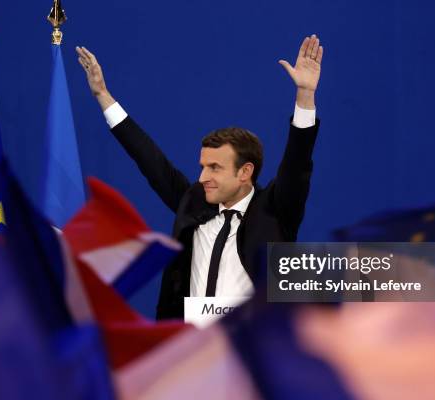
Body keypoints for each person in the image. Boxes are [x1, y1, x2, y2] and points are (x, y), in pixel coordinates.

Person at [76, 35, 324, 320]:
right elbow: (149, 158)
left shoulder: (276, 210)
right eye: (203, 166)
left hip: (249, 351)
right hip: (191, 349)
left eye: (215, 168)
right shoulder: (194, 202)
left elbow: (297, 161)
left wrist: (305, 94)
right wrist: (103, 97)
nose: (203, 177)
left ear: (245, 172)